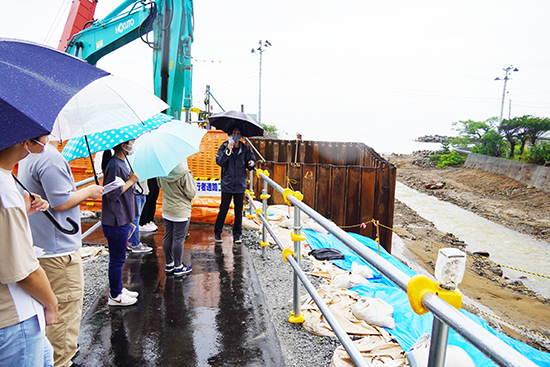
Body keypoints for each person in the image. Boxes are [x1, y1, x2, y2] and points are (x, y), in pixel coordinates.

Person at [18, 137, 104, 367]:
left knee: (47, 314)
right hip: (58, 252)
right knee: (63, 314)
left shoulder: (28, 155)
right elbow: (62, 201)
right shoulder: (50, 156)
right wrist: (89, 191)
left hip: (41, 246)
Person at [0, 135, 58, 367]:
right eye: (42, 138)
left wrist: (21, 211)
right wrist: (51, 303)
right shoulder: (4, 192)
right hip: (15, 319)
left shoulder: (8, 184)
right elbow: (25, 273)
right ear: (25, 141)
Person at [101, 140, 140, 307]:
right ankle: (115, 295)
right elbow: (113, 193)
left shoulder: (120, 163)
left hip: (122, 217)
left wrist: (130, 178)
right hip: (116, 219)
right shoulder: (114, 165)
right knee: (117, 259)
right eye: (131, 142)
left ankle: (118, 289)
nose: (133, 145)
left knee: (119, 257)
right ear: (123, 145)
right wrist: (130, 181)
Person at [214, 125, 256, 243]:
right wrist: (228, 149)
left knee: (239, 211)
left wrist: (252, 163)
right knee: (223, 209)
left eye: (238, 133)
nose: (236, 135)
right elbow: (220, 162)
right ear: (229, 134)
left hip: (240, 184)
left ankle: (237, 235)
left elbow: (251, 162)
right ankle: (217, 232)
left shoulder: (246, 149)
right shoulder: (223, 147)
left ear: (241, 135)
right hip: (227, 184)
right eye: (233, 133)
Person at [157, 161, 197, 276]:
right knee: (178, 239)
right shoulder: (184, 173)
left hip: (167, 209)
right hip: (181, 211)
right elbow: (191, 193)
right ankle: (178, 266)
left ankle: (169, 264)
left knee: (168, 236)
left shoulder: (162, 172)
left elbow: (159, 185)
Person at [127, 180, 153, 253]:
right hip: (136, 190)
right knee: (135, 219)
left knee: (135, 219)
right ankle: (135, 244)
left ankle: (131, 242)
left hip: (142, 190)